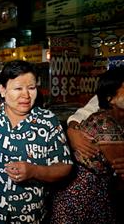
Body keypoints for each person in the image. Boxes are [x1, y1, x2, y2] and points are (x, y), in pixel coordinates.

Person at [0, 60, 73, 223]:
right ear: (3, 90)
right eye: (18, 88)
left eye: (31, 88)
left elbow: (65, 166)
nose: (26, 96)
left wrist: (34, 171)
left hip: (29, 214)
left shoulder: (48, 121)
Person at [50, 66, 124, 224]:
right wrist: (72, 131)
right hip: (81, 200)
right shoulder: (105, 123)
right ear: (110, 98)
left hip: (93, 198)